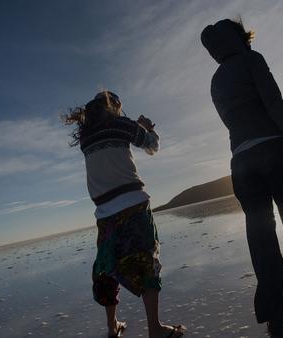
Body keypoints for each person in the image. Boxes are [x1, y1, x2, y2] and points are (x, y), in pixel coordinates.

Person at [200, 19, 283, 338]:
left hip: (241, 165)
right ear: (239, 38)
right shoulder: (252, 59)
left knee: (262, 244)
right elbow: (274, 105)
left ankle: (276, 324)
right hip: (275, 152)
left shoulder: (216, 79)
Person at [62, 91, 186, 338]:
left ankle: (112, 327)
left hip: (105, 215)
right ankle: (155, 329)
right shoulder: (121, 125)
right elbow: (152, 146)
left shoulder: (86, 137)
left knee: (107, 269)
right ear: (114, 106)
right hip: (134, 205)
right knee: (147, 263)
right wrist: (147, 127)